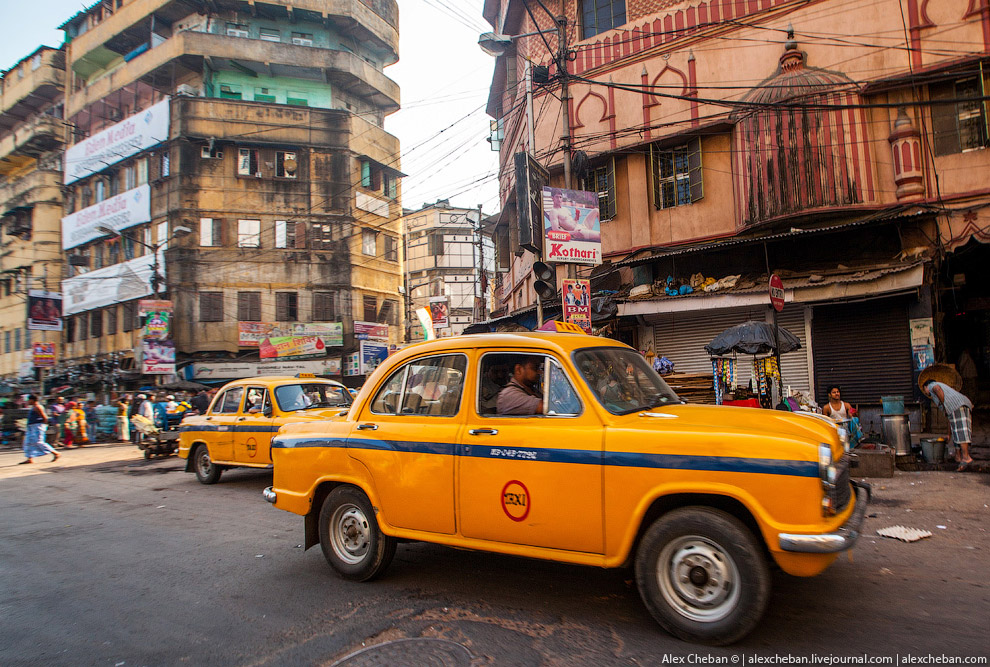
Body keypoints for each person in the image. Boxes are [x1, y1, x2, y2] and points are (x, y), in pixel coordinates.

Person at [922, 378, 974, 471]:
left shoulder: (932, 385)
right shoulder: (942, 390)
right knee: (956, 431)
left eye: (924, 390)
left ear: (926, 386)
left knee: (961, 431)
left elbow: (937, 389)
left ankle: (966, 457)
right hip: (961, 405)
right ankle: (958, 456)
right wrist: (948, 435)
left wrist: (943, 403)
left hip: (958, 406)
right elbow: (950, 421)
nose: (925, 393)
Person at [21, 395, 58, 464]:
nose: (28, 402)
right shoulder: (33, 407)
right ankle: (30, 458)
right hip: (31, 427)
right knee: (28, 442)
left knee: (39, 442)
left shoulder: (38, 407)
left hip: (37, 426)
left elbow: (45, 418)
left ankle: (55, 453)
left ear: (32, 400)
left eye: (29, 400)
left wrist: (42, 426)